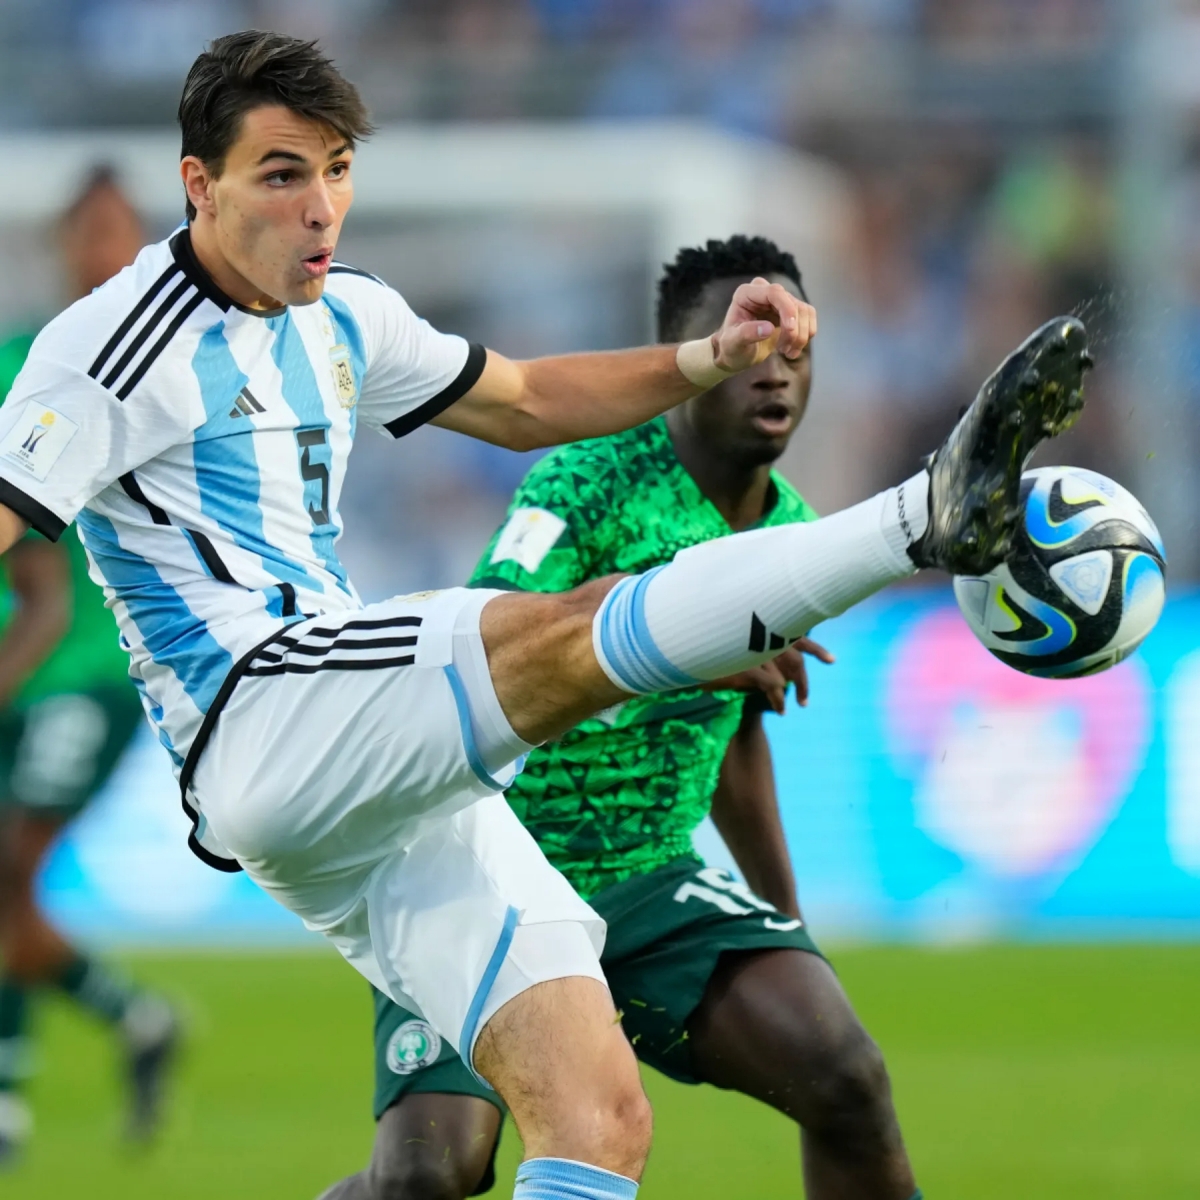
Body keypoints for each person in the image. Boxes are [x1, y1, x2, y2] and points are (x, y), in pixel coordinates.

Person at [0, 31, 1091, 1200]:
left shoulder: (346, 314)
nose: (321, 208)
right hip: (260, 715)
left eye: (335, 169)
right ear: (199, 185)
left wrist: (706, 358)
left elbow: (522, 400)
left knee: (594, 1115)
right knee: (574, 621)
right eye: (281, 173)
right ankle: (924, 518)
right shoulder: (111, 343)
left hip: (375, 789)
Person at [320, 234, 921, 1200]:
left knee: (845, 1076)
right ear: (687, 366)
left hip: (646, 880)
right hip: (480, 866)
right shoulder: (587, 480)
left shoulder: (790, 534)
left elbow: (734, 751)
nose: (778, 378)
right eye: (753, 352)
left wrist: (784, 922)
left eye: (797, 356)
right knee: (430, 1178)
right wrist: (695, 652)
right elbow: (490, 665)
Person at [0, 170, 179, 1164]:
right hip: (19, 659)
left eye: (119, 232)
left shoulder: (166, 369)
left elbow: (53, 589)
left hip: (89, 671)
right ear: (65, 244)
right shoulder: (18, 363)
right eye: (87, 232)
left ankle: (11, 1099)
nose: (101, 250)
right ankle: (131, 1017)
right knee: (3, 881)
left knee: (12, 862)